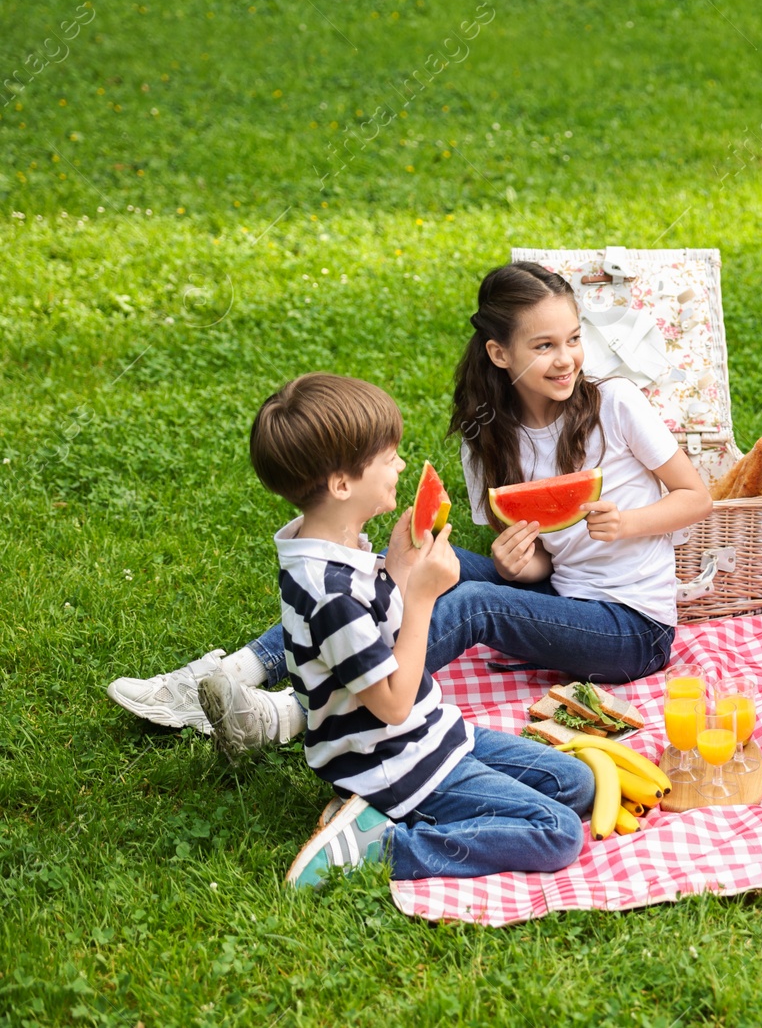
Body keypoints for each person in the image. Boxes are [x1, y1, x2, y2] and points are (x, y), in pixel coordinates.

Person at [107, 262, 713, 760]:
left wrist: (627, 523)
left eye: (574, 339)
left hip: (633, 629)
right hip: (560, 595)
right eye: (545, 345)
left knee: (475, 604)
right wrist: (515, 565)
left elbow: (698, 496)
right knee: (391, 562)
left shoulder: (616, 404)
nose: (567, 359)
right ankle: (231, 674)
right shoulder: (487, 439)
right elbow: (539, 569)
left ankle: (291, 713)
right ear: (501, 355)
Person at [240, 372, 594, 887]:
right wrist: (424, 595)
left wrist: (401, 571)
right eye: (388, 458)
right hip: (390, 762)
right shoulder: (330, 592)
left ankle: (365, 813)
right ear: (342, 485)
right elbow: (392, 703)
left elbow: (379, 634)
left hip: (430, 735)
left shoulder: (341, 549)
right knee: (559, 832)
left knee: (577, 783)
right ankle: (377, 848)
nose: (402, 465)